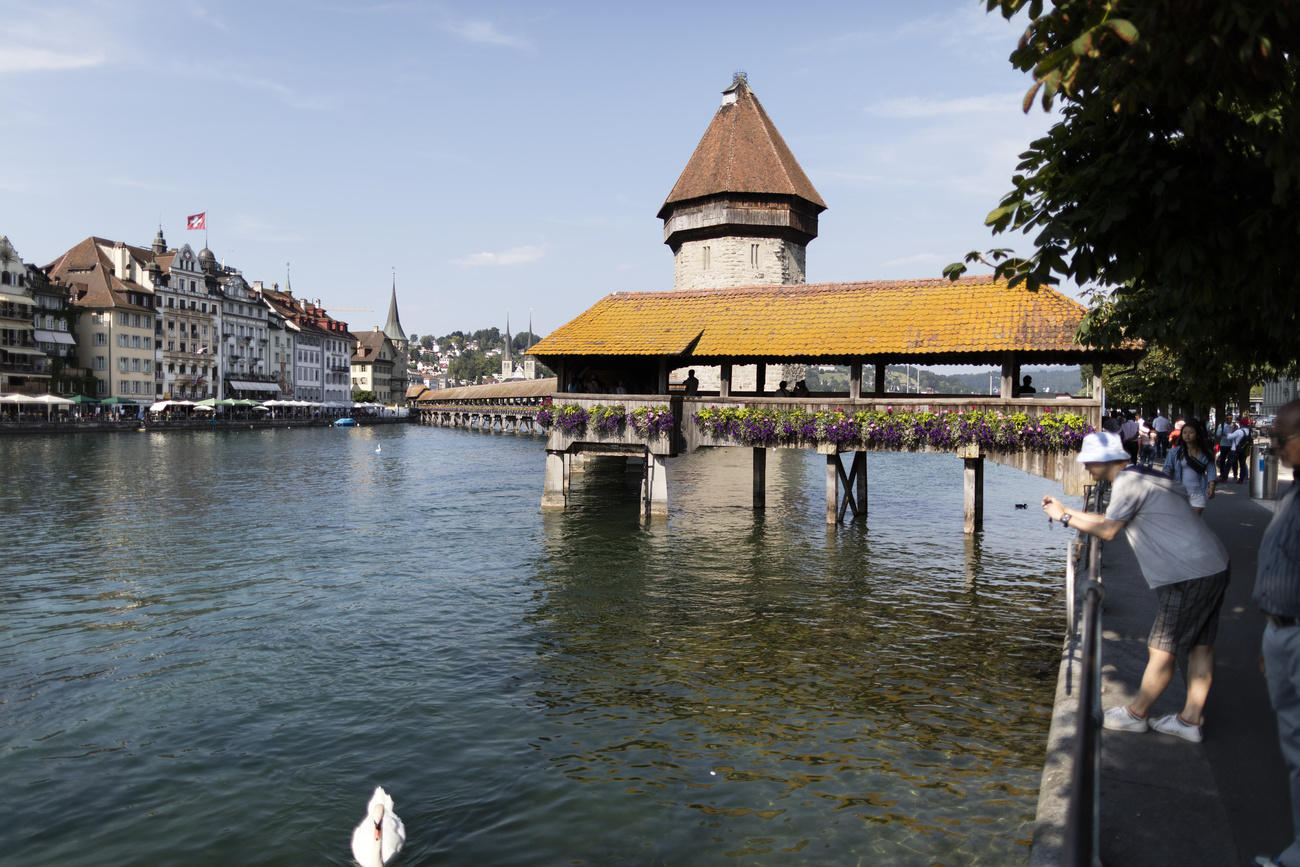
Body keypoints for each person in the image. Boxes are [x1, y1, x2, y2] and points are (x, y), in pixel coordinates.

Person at [1043, 431, 1230, 742]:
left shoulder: (1127, 484)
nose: (1086, 467)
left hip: (1186, 574)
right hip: (1213, 564)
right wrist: (1069, 511)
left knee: (1161, 647)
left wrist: (1063, 517)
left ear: (1107, 460)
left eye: (1090, 461)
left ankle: (1136, 714)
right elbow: (1110, 516)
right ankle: (1190, 719)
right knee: (1200, 644)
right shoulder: (1142, 476)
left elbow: (1108, 529)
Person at [1253, 401, 1300, 867]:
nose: (1274, 448)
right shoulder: (1295, 494)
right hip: (1283, 633)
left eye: (1280, 439)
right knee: (1294, 746)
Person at [1162, 417, 1217, 514]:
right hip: (1180, 493)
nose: (1187, 435)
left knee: (1195, 520)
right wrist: (1165, 484)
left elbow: (1211, 470)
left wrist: (1211, 487)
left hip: (1199, 493)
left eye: (1191, 433)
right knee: (1181, 522)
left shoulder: (1206, 453)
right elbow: (1167, 469)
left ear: (1197, 434)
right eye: (1185, 433)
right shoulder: (1175, 452)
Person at [1237, 418, 1255, 486]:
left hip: (1241, 449)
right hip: (1246, 450)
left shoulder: (1241, 431)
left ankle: (1242, 478)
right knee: (1243, 463)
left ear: (1242, 424)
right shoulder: (1249, 431)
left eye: (1240, 423)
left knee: (1242, 464)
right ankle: (1245, 476)